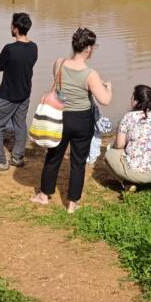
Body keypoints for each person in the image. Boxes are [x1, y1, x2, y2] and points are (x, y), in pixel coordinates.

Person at [30, 28, 112, 213]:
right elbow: (105, 100)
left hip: (61, 116)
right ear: (89, 49)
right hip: (82, 120)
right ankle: (72, 204)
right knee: (78, 162)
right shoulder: (91, 74)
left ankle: (43, 195)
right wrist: (109, 88)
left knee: (53, 156)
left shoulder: (59, 63)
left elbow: (59, 86)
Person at [0, 12, 38, 172]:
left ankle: (0, 161)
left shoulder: (9, 49)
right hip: (25, 93)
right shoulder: (34, 47)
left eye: (11, 25)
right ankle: (18, 157)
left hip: (7, 95)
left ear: (15, 29)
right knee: (20, 124)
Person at [105, 85, 151, 189]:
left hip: (139, 174)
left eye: (132, 97)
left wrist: (113, 147)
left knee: (109, 154)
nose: (131, 100)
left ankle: (126, 183)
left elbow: (119, 145)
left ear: (137, 101)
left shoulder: (128, 117)